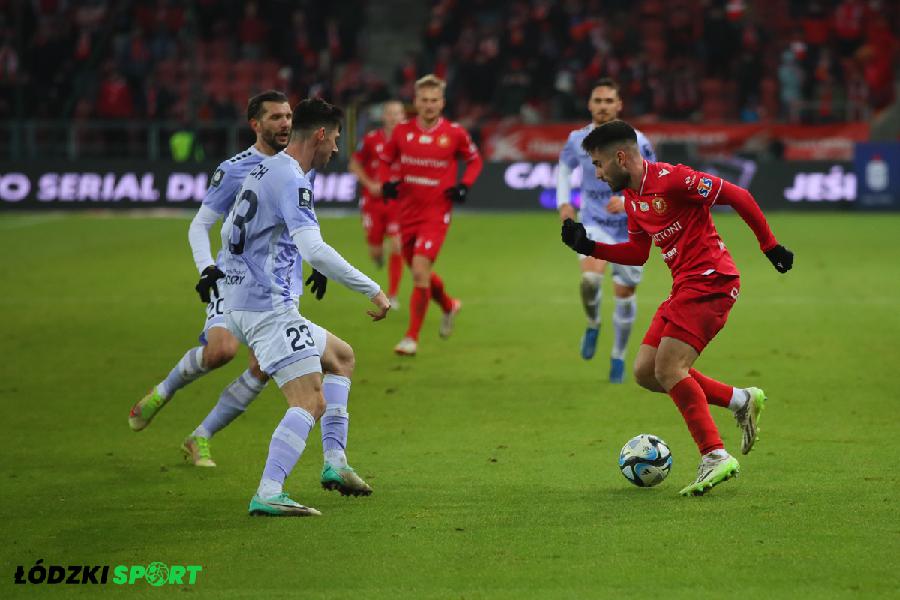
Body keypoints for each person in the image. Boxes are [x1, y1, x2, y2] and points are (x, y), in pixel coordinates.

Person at [560, 120, 794, 496]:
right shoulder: (633, 199)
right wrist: (589, 247)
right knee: (646, 372)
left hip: (712, 280)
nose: (598, 174)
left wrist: (770, 246)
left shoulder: (674, 179)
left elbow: (738, 195)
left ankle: (715, 454)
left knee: (669, 368)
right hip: (684, 286)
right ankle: (741, 399)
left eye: (599, 164)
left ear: (621, 157)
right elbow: (637, 253)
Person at [222, 98, 390, 516]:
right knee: (310, 401)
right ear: (320, 135)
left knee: (341, 357)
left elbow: (231, 232)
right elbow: (314, 248)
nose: (336, 148)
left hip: (247, 300)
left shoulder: (265, 168)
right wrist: (372, 289)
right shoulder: (292, 178)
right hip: (267, 307)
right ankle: (269, 490)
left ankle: (335, 462)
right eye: (335, 139)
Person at [129, 91, 293, 465]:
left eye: (288, 116)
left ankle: (200, 436)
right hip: (232, 277)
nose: (285, 123)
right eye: (275, 117)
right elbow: (200, 224)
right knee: (221, 351)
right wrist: (207, 268)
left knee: (263, 367)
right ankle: (163, 391)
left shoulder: (298, 167)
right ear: (256, 124)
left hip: (276, 284)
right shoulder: (234, 169)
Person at [557, 78, 656, 383]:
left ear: (619, 105)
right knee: (590, 279)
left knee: (624, 295)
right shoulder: (577, 139)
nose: (603, 106)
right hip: (593, 222)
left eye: (608, 101)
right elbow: (564, 169)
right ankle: (593, 323)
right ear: (590, 105)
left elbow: (652, 181)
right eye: (598, 101)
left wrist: (626, 203)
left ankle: (618, 356)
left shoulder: (638, 141)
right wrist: (564, 203)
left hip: (630, 229)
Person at [379, 74, 483, 356]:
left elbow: (474, 161)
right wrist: (386, 182)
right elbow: (386, 160)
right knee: (420, 271)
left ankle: (411, 338)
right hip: (407, 213)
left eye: (434, 100)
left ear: (442, 103)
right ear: (416, 102)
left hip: (437, 213)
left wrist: (464, 186)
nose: (429, 105)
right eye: (424, 100)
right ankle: (449, 305)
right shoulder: (401, 132)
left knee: (419, 271)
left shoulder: (454, 133)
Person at [349, 100, 406, 309]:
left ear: (403, 117)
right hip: (373, 202)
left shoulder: (409, 141)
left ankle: (393, 294)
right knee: (376, 250)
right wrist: (370, 184)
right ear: (383, 117)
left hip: (397, 202)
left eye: (398, 113)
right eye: (390, 113)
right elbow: (354, 165)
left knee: (397, 244)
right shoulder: (371, 139)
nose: (394, 117)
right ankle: (378, 257)